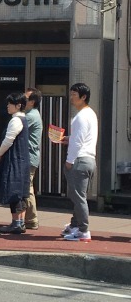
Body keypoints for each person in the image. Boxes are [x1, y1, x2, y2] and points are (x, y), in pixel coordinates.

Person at [59, 83, 98, 242]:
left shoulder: (81, 116)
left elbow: (78, 142)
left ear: (84, 97)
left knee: (78, 197)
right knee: (78, 196)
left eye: (75, 94)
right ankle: (76, 225)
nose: (71, 97)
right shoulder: (90, 114)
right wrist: (69, 139)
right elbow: (80, 139)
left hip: (80, 160)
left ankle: (83, 230)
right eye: (71, 93)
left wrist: (69, 160)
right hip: (89, 159)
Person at [0, 92, 31, 234]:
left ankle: (16, 223)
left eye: (10, 103)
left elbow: (8, 140)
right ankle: (19, 223)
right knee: (20, 192)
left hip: (14, 159)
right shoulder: (23, 119)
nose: (7, 106)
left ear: (18, 105)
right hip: (22, 159)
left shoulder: (15, 121)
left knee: (13, 190)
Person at [24, 87, 43, 230]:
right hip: (32, 156)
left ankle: (31, 219)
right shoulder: (32, 114)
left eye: (25, 99)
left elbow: (17, 130)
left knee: (27, 187)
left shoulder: (30, 116)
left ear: (32, 102)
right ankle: (29, 218)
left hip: (28, 156)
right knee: (28, 186)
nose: (23, 101)